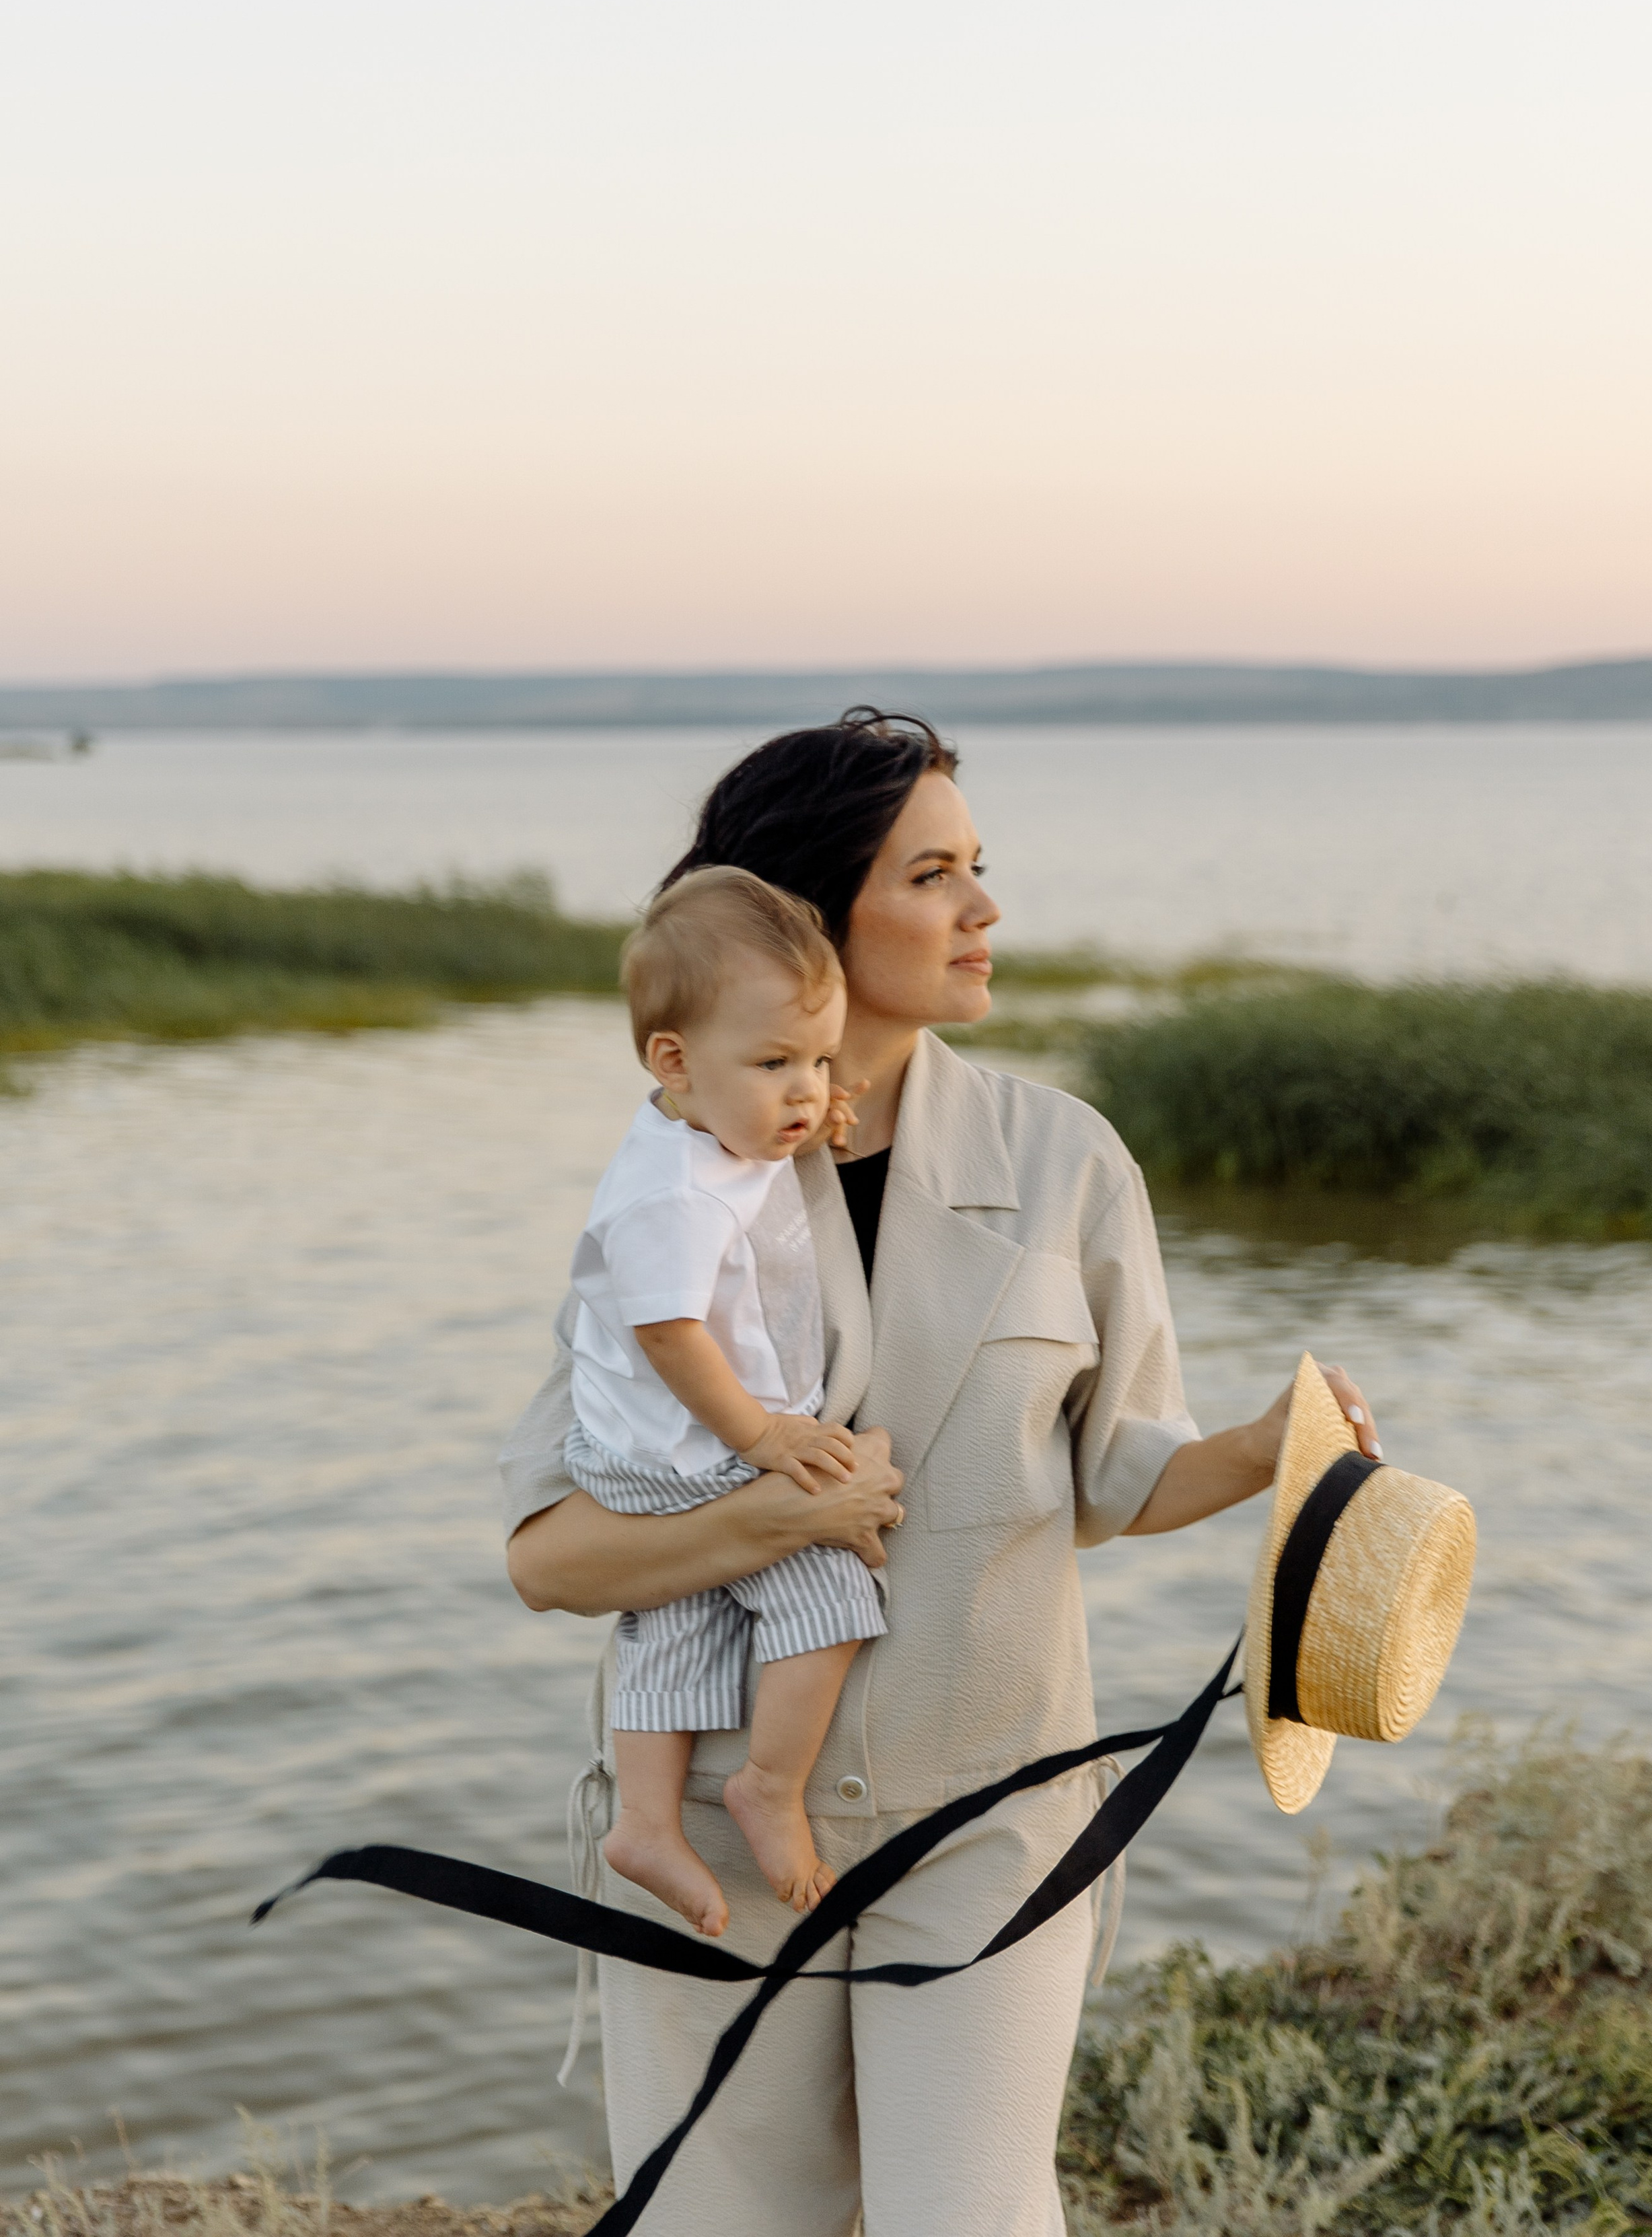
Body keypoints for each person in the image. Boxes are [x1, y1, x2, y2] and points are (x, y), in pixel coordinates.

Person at [501, 709, 1380, 2237]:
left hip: (987, 1826)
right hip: (711, 1834)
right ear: (805, 916)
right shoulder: (668, 1184)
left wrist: (1267, 1449)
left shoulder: (1070, 1161)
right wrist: (776, 1517)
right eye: (932, 875)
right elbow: (552, 1555)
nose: (984, 911)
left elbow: (1118, 1478)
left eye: (980, 868)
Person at [561, 866, 886, 1936]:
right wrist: (764, 1438)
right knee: (826, 1592)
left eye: (821, 1061)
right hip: (682, 1444)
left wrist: (808, 1107)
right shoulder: (670, 1192)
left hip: (647, 1444)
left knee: (681, 1618)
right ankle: (769, 1785)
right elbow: (667, 1330)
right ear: (674, 1062)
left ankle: (645, 1821)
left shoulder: (714, 1127)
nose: (805, 1091)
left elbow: (762, 1147)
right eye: (776, 1063)